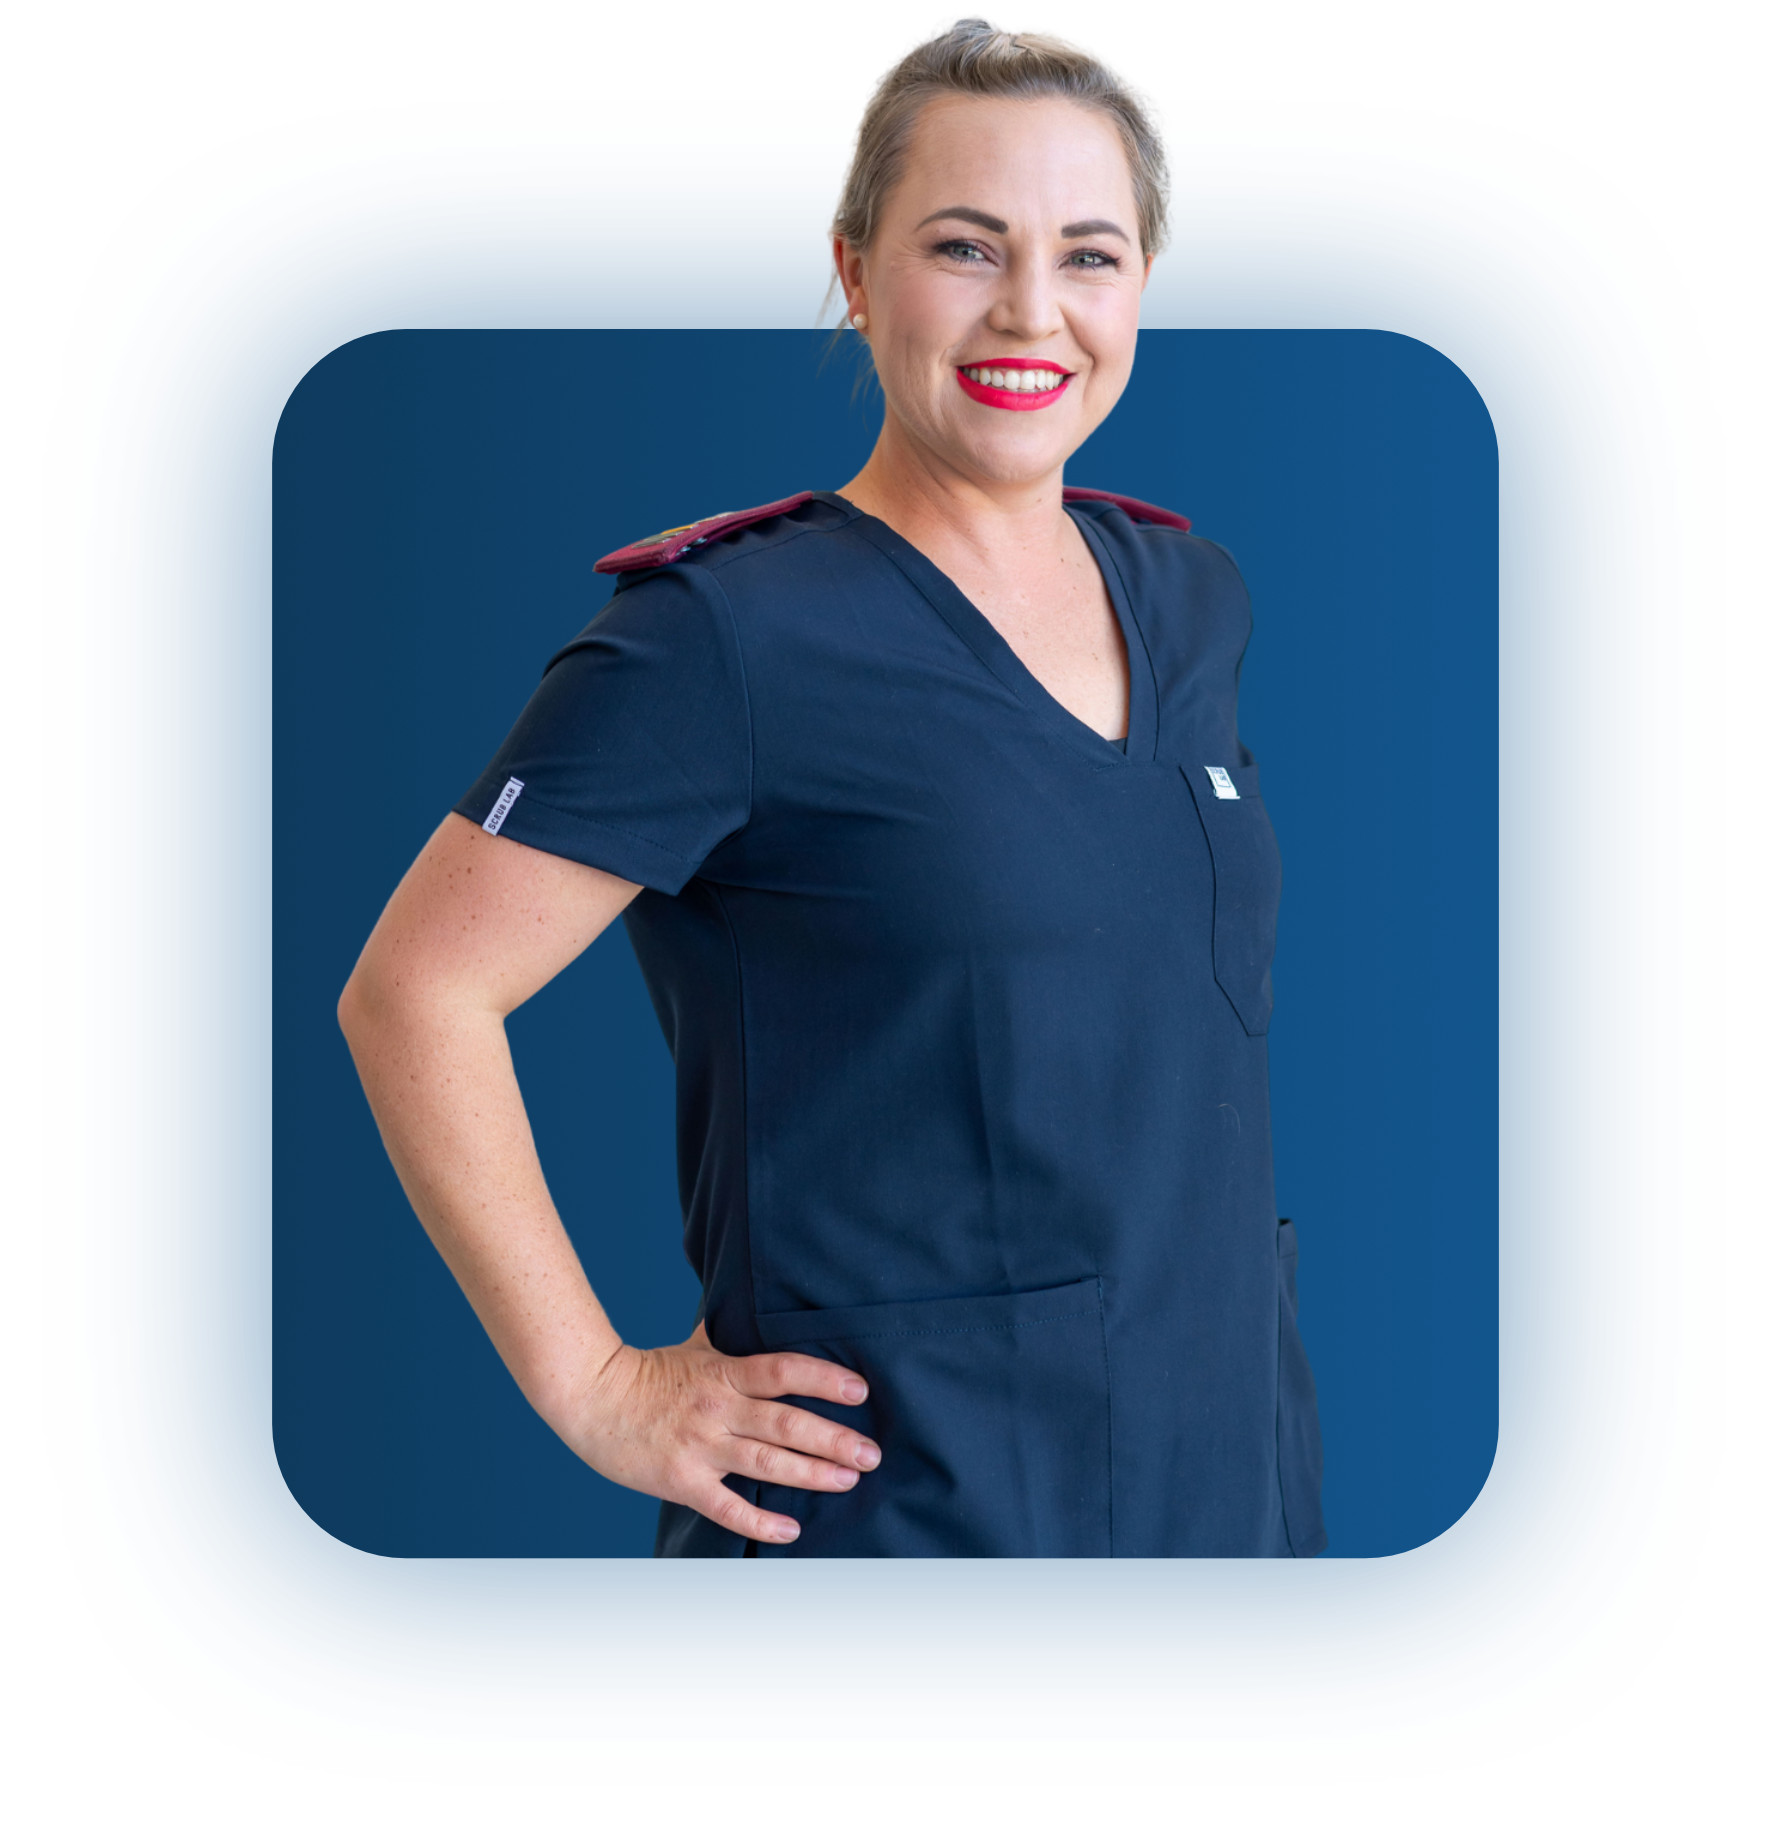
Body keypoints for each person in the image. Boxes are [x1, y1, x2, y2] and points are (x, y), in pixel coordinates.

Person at [337, 18, 1326, 1558]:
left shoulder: (1191, 594)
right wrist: (596, 1383)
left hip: (1224, 1501)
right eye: (963, 246)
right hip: (906, 1534)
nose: (1031, 312)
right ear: (857, 272)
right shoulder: (725, 638)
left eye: (1089, 255)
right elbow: (413, 996)